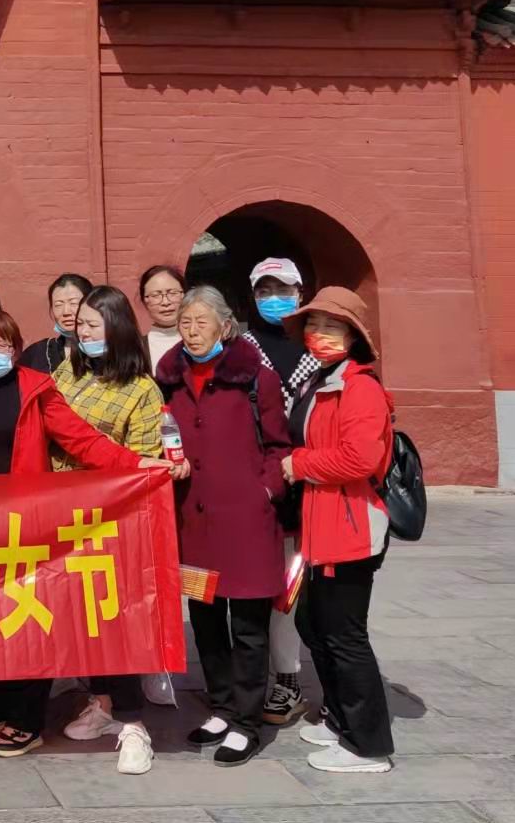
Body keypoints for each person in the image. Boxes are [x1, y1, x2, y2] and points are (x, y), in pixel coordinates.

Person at [0, 310, 175, 758]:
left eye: (1, 345)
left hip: (28, 526)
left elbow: (81, 440)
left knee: (27, 620)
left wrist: (135, 463)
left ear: (16, 349)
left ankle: (26, 721)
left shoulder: (37, 388)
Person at [157, 285, 291, 767]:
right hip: (194, 522)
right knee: (207, 621)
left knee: (249, 627)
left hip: (246, 522)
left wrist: (265, 491)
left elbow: (279, 445)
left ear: (225, 326)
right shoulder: (168, 378)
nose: (192, 331)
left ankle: (247, 723)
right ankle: (222, 707)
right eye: (185, 322)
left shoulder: (256, 378)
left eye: (201, 322)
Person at [50, 285, 166, 772]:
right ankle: (102, 703)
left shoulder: (142, 390)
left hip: (110, 522)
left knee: (112, 621)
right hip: (60, 518)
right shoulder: (67, 373)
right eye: (80, 324)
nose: (83, 332)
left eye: (93, 324)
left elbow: (145, 459)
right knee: (81, 620)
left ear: (116, 328)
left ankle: (134, 725)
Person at [281, 287, 395, 774]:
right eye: (315, 324)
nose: (320, 333)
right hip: (322, 524)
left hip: (350, 528)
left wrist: (299, 464)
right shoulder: (320, 379)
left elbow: (360, 457)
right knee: (314, 624)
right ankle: (340, 718)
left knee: (346, 636)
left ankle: (368, 746)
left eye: (333, 326)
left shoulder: (359, 387)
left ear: (354, 336)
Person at [240, 256, 319, 727]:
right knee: (274, 589)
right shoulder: (241, 349)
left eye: (283, 290)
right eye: (264, 290)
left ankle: (311, 677)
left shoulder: (318, 345)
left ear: (300, 292)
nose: (274, 299)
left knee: (311, 588)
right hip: (263, 488)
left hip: (316, 487)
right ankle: (283, 680)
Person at [19, 273, 91, 374]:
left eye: (74, 303)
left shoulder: (105, 351)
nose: (66, 312)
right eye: (58, 305)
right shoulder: (38, 353)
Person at [139, 265, 186, 368]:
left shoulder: (205, 339)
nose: (165, 302)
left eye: (172, 293)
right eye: (155, 295)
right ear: (144, 301)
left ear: (184, 295)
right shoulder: (136, 349)